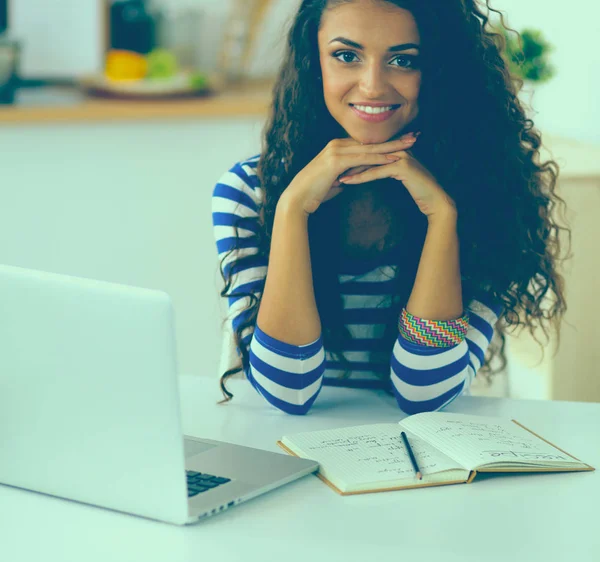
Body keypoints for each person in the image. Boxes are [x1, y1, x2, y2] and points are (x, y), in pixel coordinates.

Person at [211, 0, 569, 415]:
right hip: (283, 449)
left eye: (403, 60)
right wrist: (292, 210)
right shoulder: (249, 191)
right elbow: (287, 391)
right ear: (315, 63)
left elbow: (426, 394)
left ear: (441, 71)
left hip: (425, 459)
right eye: (346, 56)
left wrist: (442, 218)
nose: (372, 86)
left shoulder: (489, 189)